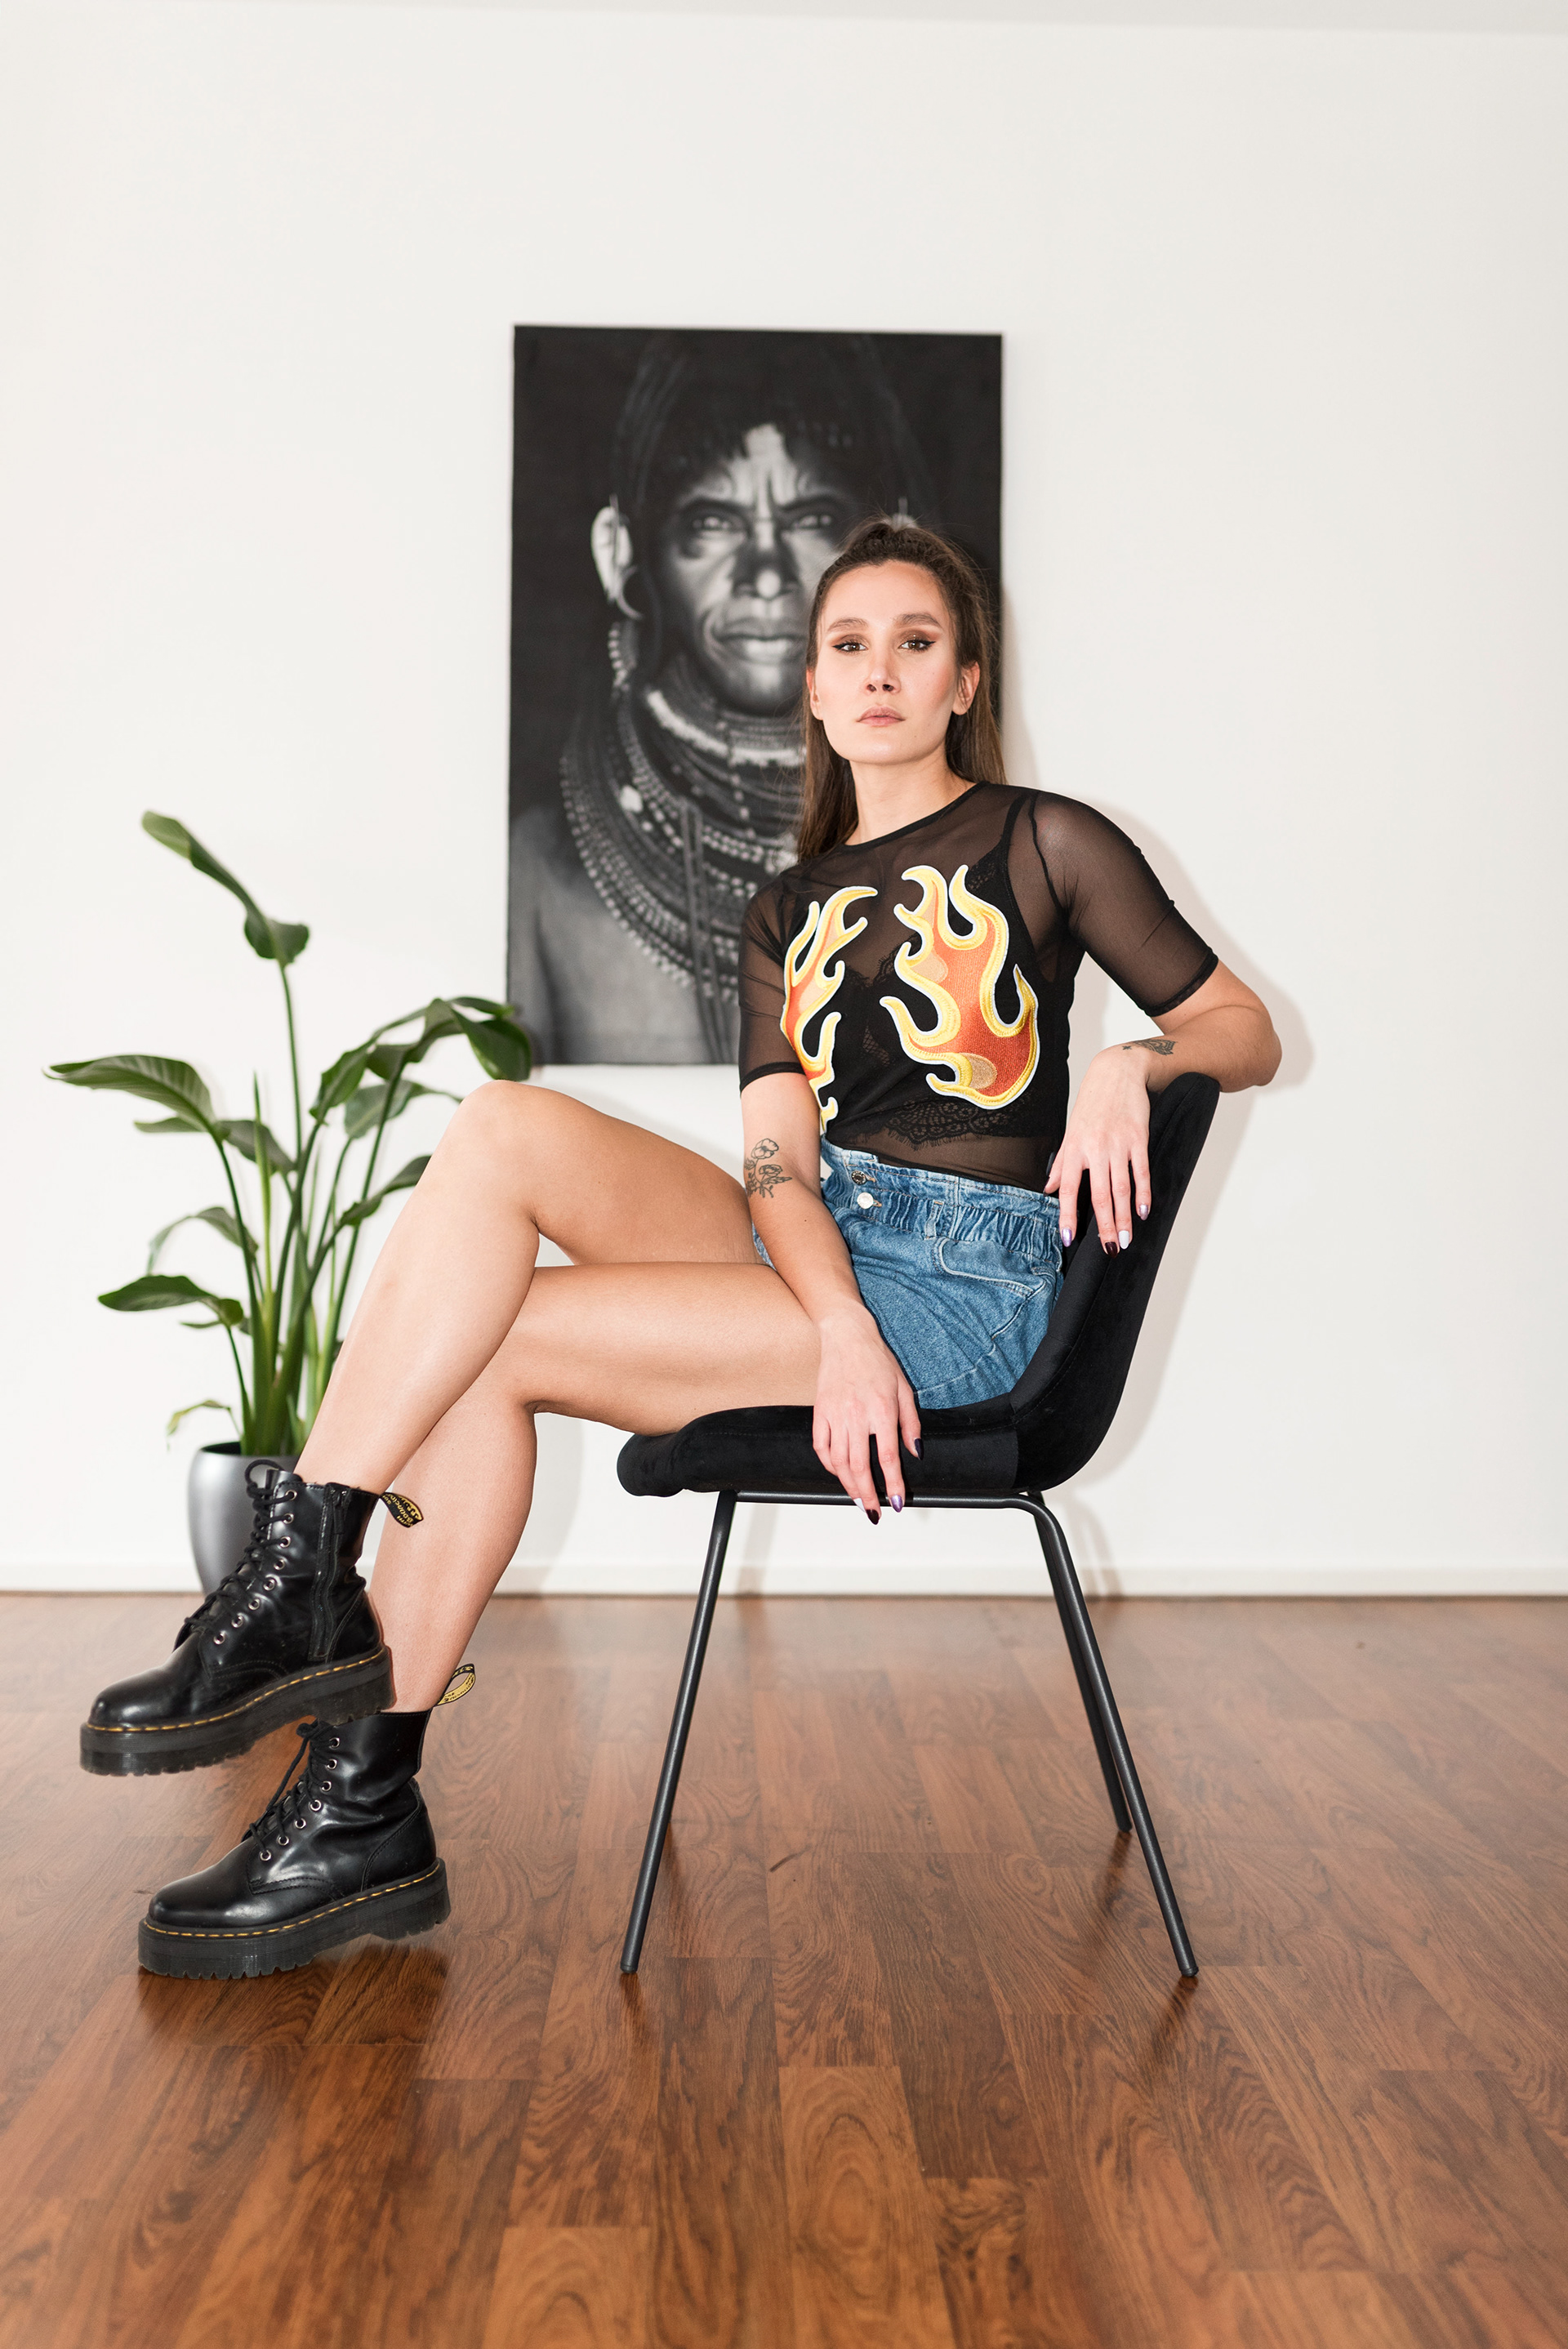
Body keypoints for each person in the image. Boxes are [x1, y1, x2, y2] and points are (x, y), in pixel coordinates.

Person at [85, 518, 1281, 1980]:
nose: (880, 671)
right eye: (850, 646)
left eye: (915, 644)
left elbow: (1245, 1029)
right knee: (504, 1127)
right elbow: (778, 1164)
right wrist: (835, 1319)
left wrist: (1135, 1064)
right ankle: (312, 1591)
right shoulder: (786, 907)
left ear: (965, 680)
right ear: (816, 689)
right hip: (825, 1248)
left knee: (494, 1339)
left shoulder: (1050, 840)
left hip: (965, 1290)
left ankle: (353, 1782)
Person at [509, 332, 938, 1062]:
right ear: (622, 551)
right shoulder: (544, 872)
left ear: (896, 543)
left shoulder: (962, 861)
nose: (765, 575)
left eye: (812, 520)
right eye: (712, 524)